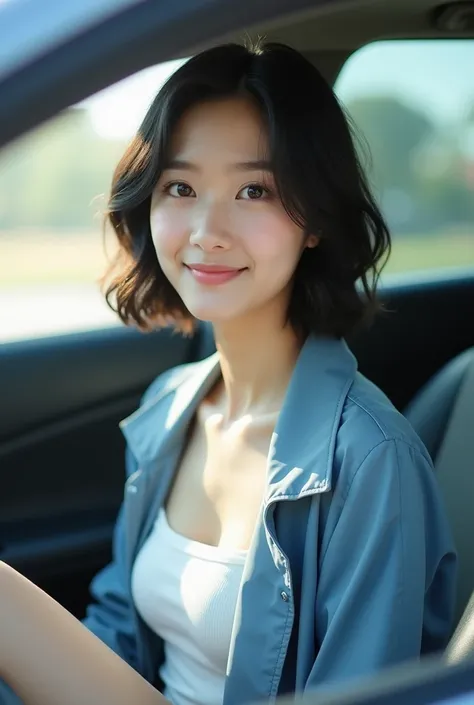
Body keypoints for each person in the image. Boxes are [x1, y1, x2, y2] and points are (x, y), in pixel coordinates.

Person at [0, 41, 457, 705]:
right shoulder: (170, 407)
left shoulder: (369, 461)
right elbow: (123, 635)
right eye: (180, 187)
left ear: (315, 221)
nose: (208, 230)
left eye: (255, 190)